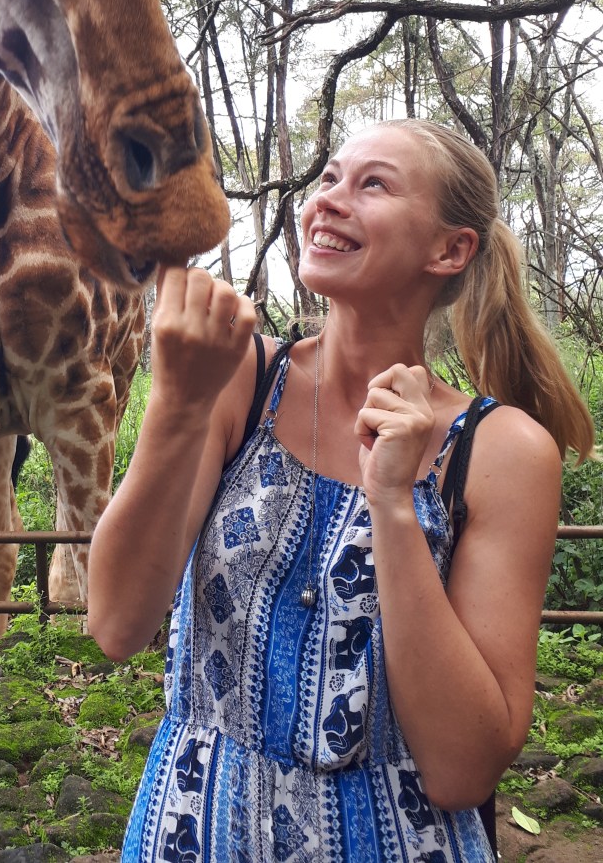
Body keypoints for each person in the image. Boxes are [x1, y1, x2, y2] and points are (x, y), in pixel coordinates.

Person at [88, 118, 595, 863]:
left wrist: (391, 505)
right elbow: (116, 623)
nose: (329, 199)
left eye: (373, 183)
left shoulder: (503, 449)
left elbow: (462, 767)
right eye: (327, 178)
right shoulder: (240, 380)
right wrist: (174, 404)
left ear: (450, 248)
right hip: (194, 830)